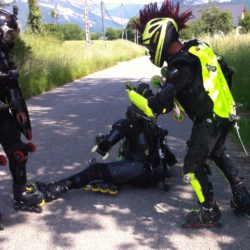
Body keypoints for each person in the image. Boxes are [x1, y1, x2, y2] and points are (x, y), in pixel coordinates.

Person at [128, 0, 250, 228]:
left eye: (151, 46)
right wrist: (168, 86)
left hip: (208, 120)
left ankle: (209, 212)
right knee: (218, 154)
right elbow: (199, 82)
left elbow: (156, 107)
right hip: (222, 113)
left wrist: (135, 94)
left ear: (160, 39)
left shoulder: (180, 66)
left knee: (192, 168)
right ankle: (242, 197)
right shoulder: (196, 48)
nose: (150, 51)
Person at [35, 83, 177, 202]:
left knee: (94, 170)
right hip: (153, 175)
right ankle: (114, 178)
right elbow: (169, 158)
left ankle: (54, 189)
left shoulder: (127, 124)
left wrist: (102, 143)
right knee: (120, 163)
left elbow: (104, 147)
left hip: (138, 172)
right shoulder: (154, 126)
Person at [0, 7, 44, 229]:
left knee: (19, 152)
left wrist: (22, 118)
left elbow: (13, 91)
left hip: (1, 113)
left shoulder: (4, 57)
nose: (11, 40)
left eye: (13, 35)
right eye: (8, 35)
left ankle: (19, 193)